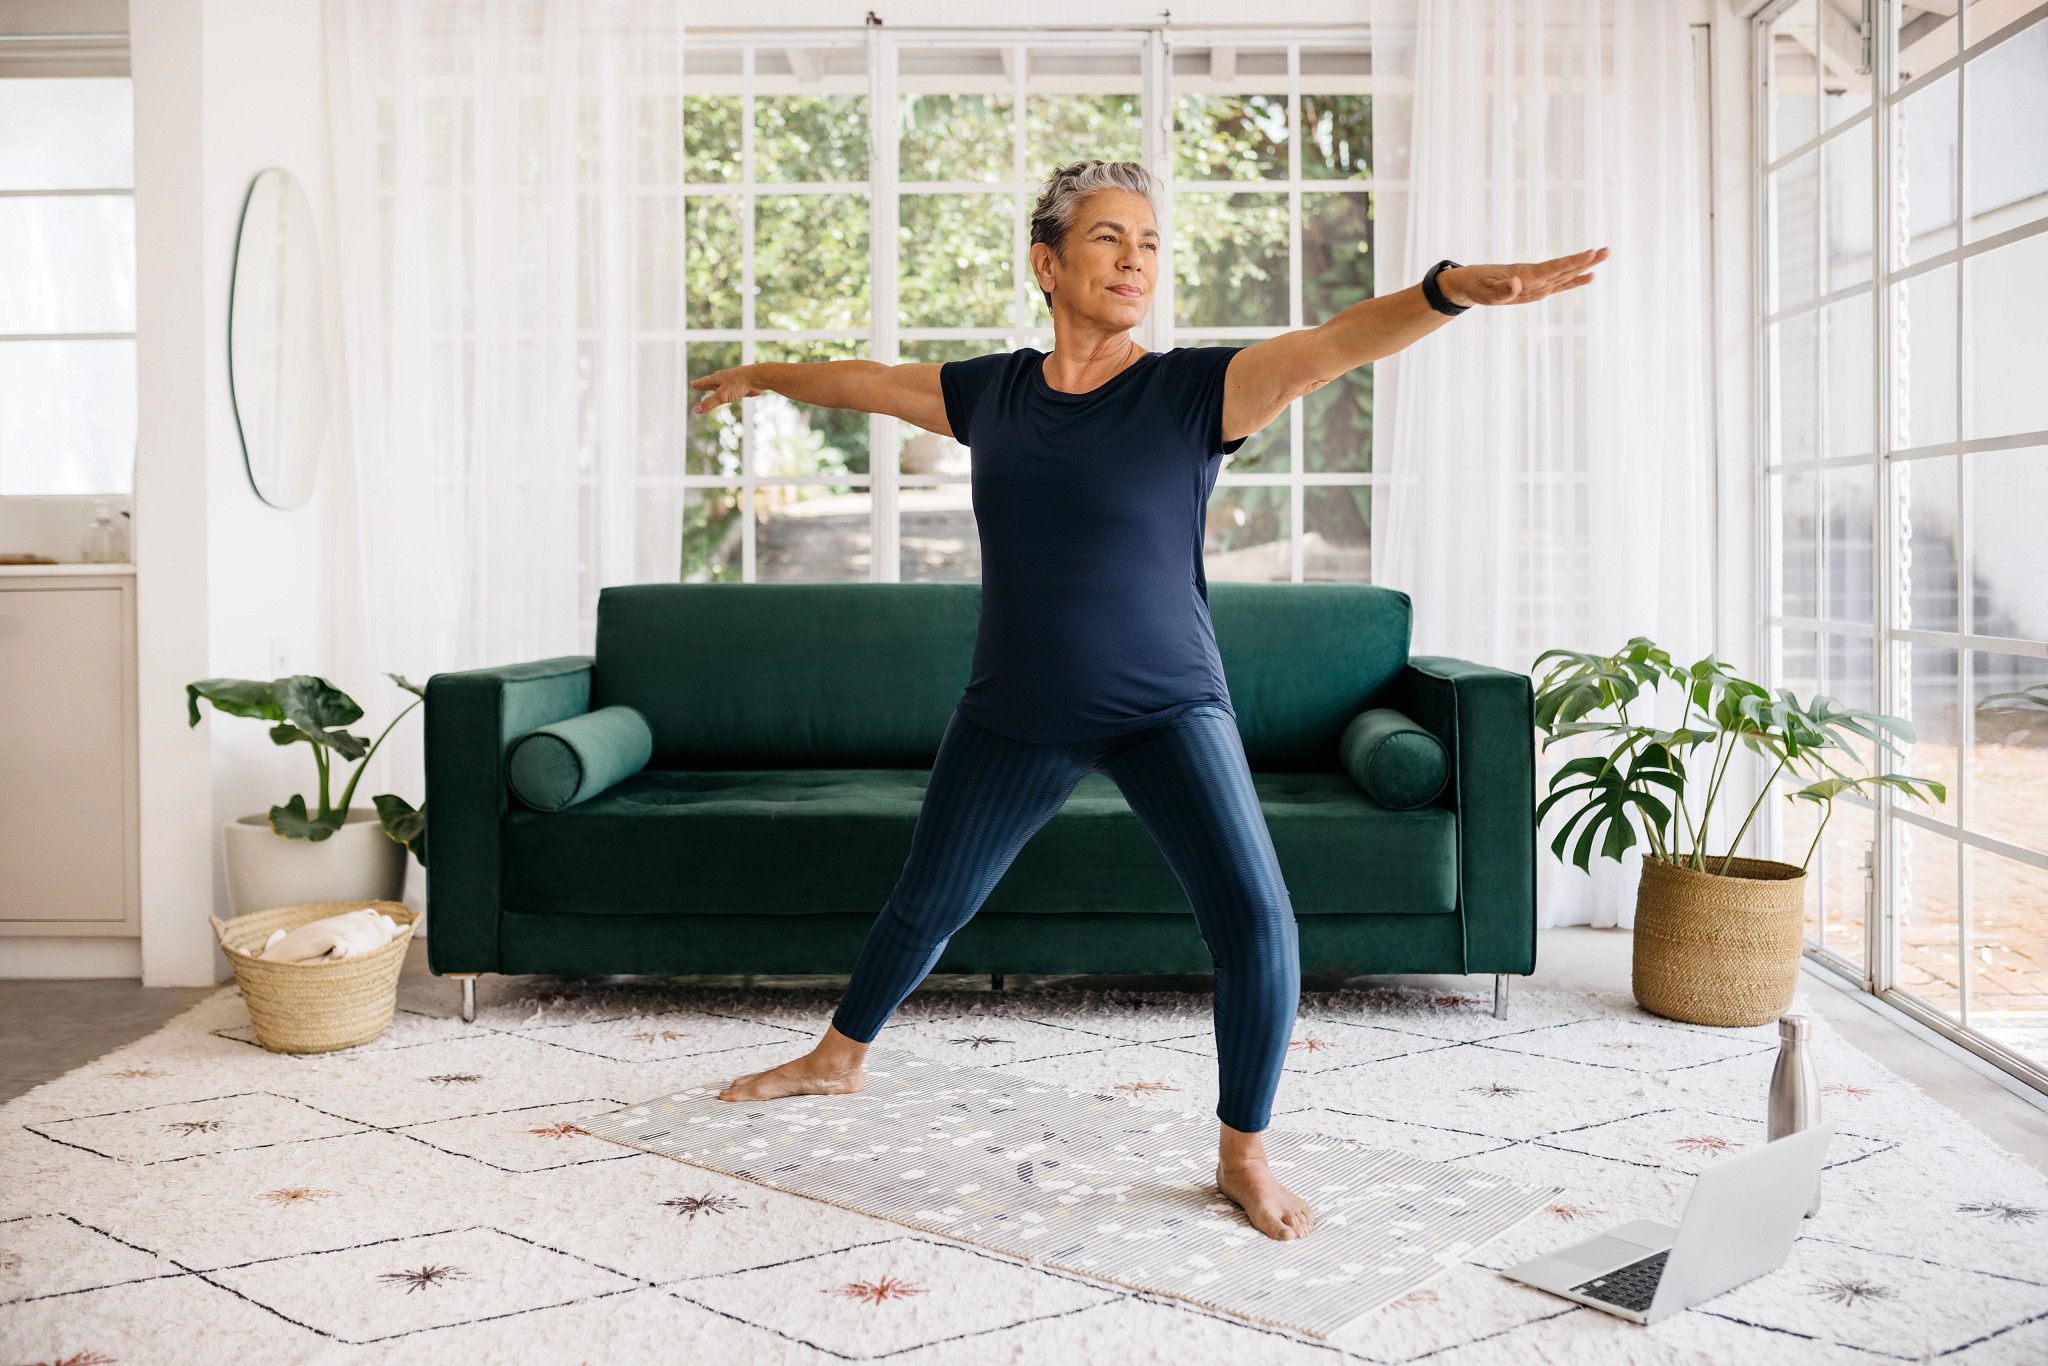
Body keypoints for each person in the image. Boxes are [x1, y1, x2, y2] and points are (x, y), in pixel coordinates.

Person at [689, 159, 1605, 1241]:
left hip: (1166, 703)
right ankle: (838, 1057)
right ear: (1047, 264)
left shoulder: (1191, 393)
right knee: (927, 899)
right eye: (1109, 238)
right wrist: (765, 375)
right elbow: (869, 381)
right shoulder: (990, 394)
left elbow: (1332, 346)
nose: (1136, 261)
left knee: (1255, 920)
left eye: (1150, 243)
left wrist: (1446, 290)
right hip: (1015, 705)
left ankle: (1242, 1152)